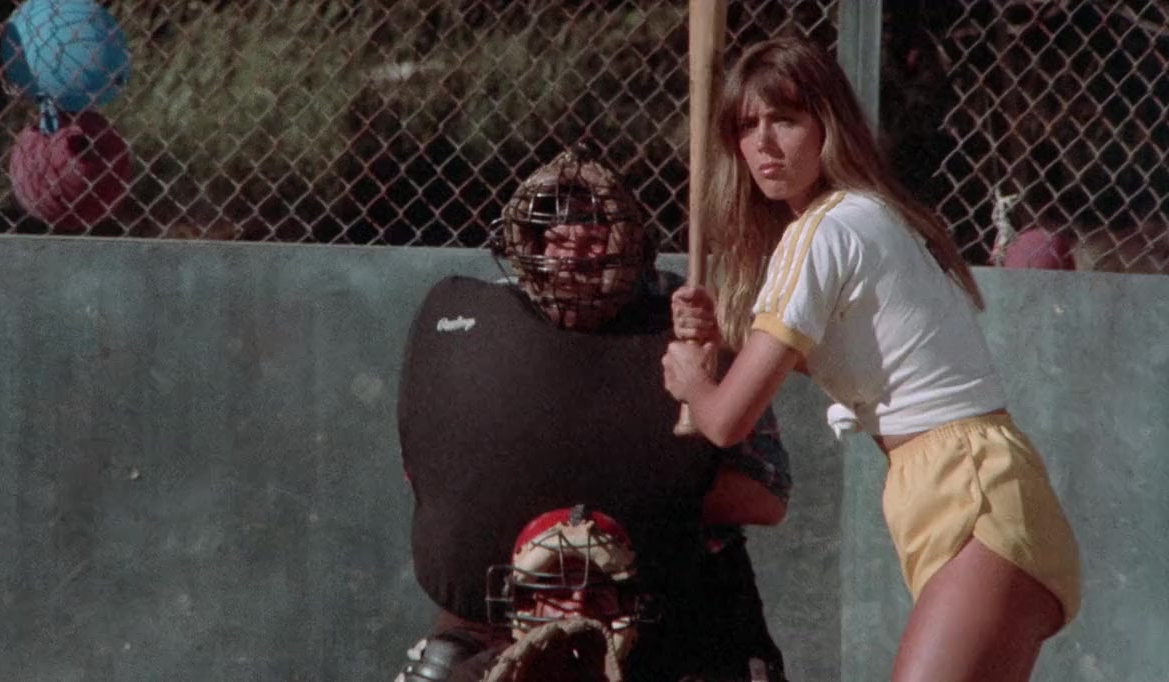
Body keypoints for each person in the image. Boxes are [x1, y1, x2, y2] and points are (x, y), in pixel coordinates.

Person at [660, 36, 1081, 682]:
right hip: (980, 489)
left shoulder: (823, 230)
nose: (764, 143)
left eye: (785, 119)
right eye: (746, 125)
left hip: (971, 496)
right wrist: (720, 336)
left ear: (827, 125)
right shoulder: (864, 215)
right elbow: (843, 357)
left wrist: (692, 380)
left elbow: (725, 421)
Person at [396, 143, 792, 681]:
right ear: (526, 241)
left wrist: (635, 502)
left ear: (629, 244)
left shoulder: (689, 317)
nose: (573, 256)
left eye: (592, 238)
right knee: (442, 668)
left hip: (666, 600)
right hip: (514, 604)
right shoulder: (479, 331)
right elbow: (443, 482)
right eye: (556, 239)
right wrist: (547, 529)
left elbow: (768, 492)